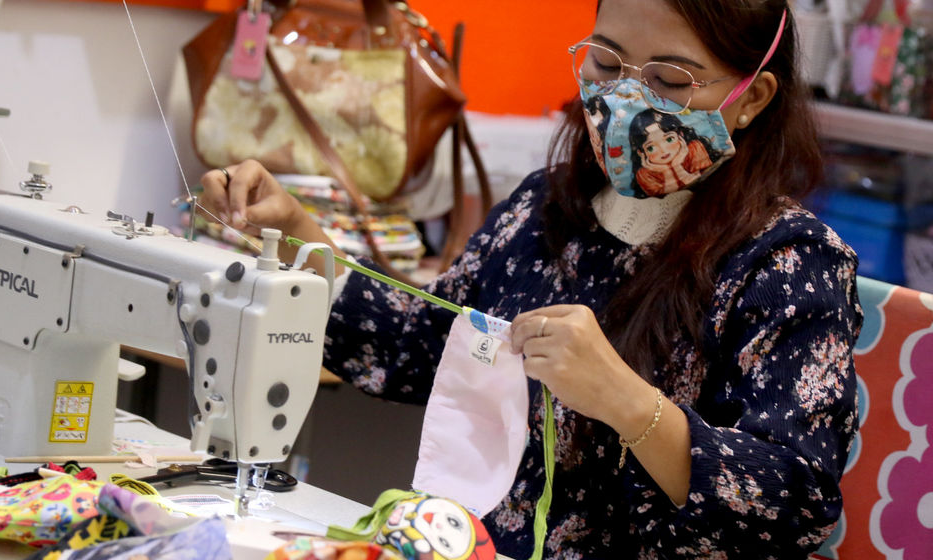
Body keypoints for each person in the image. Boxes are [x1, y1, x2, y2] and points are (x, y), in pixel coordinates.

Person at [199, 0, 861, 557]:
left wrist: (628, 404)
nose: (626, 99)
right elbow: (419, 344)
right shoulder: (544, 209)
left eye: (670, 80)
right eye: (605, 64)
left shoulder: (790, 265)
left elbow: (794, 502)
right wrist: (298, 235)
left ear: (753, 99)